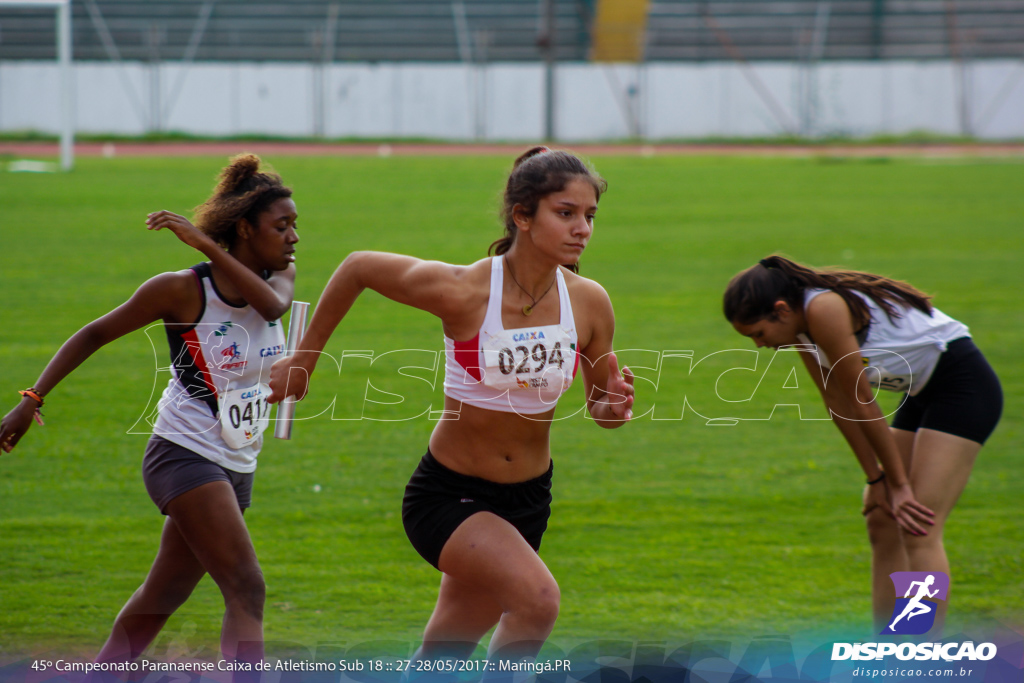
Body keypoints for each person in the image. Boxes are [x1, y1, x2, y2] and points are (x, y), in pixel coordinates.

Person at [267, 147, 634, 668]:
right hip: (450, 497)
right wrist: (304, 359)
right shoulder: (466, 292)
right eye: (566, 213)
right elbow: (359, 268)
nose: (582, 229)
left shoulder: (591, 302)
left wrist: (612, 407)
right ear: (522, 216)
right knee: (537, 602)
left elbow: (600, 403)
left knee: (443, 653)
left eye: (590, 216)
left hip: (528, 501)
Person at [0, 154, 299, 667]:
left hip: (238, 460)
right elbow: (94, 333)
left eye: (295, 225)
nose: (294, 237)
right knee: (247, 589)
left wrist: (208, 244)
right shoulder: (181, 289)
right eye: (282, 225)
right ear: (245, 228)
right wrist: (32, 398)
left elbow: (271, 309)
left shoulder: (281, 278)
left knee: (162, 597)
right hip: (183, 454)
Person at [723, 255, 1002, 632]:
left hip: (961, 387)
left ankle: (919, 654)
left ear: (781, 310)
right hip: (922, 393)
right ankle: (888, 647)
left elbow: (860, 401)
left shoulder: (823, 308)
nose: (759, 345)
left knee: (918, 525)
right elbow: (836, 402)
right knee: (882, 518)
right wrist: (877, 481)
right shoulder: (801, 329)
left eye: (758, 333)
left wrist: (900, 486)